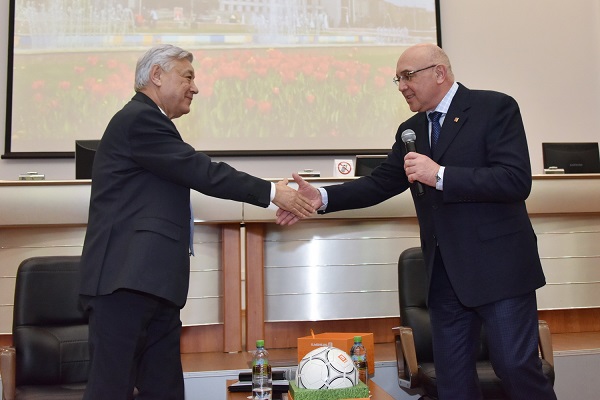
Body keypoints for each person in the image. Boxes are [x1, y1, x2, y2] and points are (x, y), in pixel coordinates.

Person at [277, 43, 557, 399]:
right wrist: (322, 198)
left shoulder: (494, 108)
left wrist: (439, 175)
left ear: (439, 72)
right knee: (452, 382)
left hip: (500, 270)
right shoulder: (411, 130)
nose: (402, 86)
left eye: (408, 76)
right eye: (398, 79)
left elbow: (515, 180)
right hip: (444, 276)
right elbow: (380, 182)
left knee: (516, 368)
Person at [79, 44, 314, 400]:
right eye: (187, 77)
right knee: (110, 390)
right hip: (125, 284)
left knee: (165, 391)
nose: (196, 88)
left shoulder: (150, 122)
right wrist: (271, 193)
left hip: (152, 285)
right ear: (157, 76)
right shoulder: (139, 119)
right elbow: (202, 171)